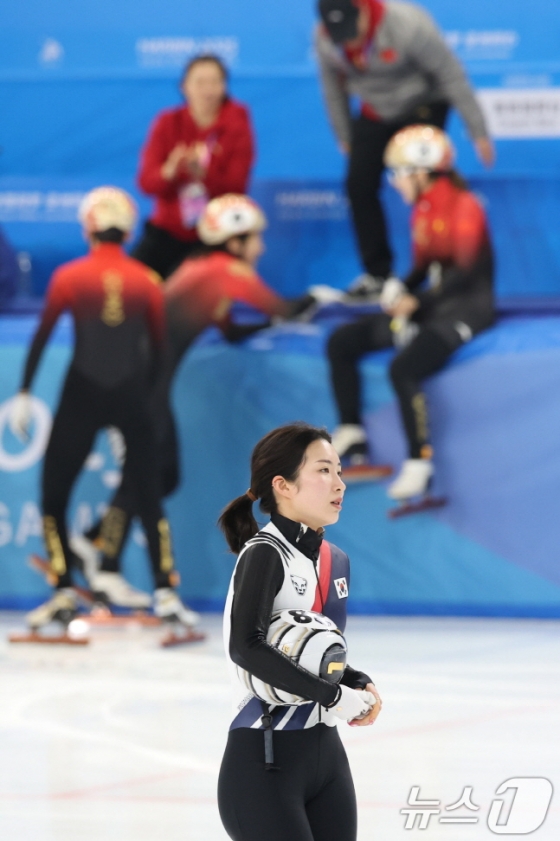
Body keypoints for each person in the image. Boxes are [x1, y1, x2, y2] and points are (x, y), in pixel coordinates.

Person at [77, 195, 333, 607]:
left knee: (165, 476)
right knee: (143, 475)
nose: (261, 248)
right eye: (255, 239)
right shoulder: (222, 269)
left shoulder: (203, 270)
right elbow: (285, 308)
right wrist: (327, 297)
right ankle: (105, 567)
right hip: (135, 384)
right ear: (234, 242)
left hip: (143, 382)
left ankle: (91, 541)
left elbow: (231, 330)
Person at [9, 187, 198, 631]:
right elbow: (160, 351)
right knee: (149, 496)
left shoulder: (69, 276)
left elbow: (41, 337)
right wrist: (150, 407)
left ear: (87, 229)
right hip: (132, 395)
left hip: (81, 394)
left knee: (53, 494)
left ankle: (61, 590)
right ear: (130, 232)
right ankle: (166, 591)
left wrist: (23, 392)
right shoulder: (147, 281)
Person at [217, 422, 382, 841]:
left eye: (340, 470)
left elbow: (313, 653)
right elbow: (247, 647)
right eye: (324, 470)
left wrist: (356, 681)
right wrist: (336, 696)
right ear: (283, 486)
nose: (339, 483)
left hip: (326, 756)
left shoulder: (336, 561)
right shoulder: (265, 554)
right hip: (265, 763)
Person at [327, 125, 494, 500]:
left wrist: (418, 303)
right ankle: (352, 433)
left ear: (422, 172)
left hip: (466, 310)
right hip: (433, 306)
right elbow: (425, 267)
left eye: (397, 173)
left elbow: (465, 271)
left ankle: (420, 463)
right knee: (341, 342)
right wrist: (403, 288)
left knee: (403, 368)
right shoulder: (423, 208)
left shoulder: (464, 206)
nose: (394, 182)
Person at [315, 0, 494, 285]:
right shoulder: (326, 38)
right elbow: (332, 88)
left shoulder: (408, 25)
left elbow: (451, 74)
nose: (348, 40)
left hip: (423, 102)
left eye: (352, 29)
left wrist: (478, 131)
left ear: (363, 9)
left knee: (425, 182)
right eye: (339, 33)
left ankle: (443, 266)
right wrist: (345, 135)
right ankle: (378, 275)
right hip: (375, 109)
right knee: (358, 184)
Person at [133, 54, 255, 279]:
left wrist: (203, 175)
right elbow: (145, 183)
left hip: (215, 234)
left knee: (189, 299)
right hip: (167, 230)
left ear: (225, 86)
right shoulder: (167, 122)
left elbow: (237, 188)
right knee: (132, 287)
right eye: (199, 82)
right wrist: (169, 171)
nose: (207, 90)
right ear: (184, 87)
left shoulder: (237, 123)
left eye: (215, 81)